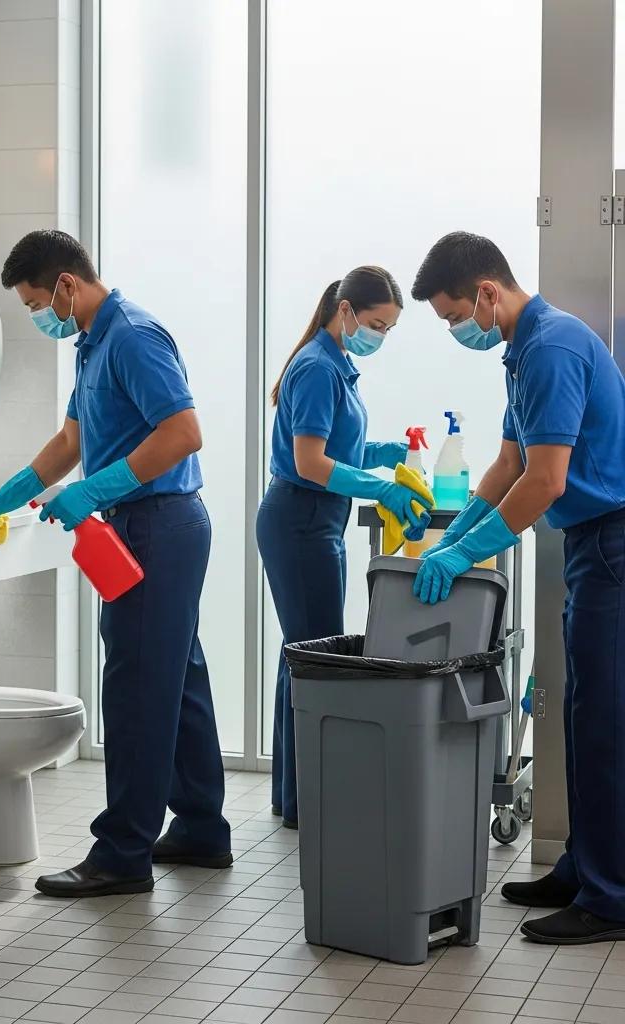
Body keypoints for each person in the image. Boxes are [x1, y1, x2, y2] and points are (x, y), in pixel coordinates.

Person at [0, 229, 230, 896]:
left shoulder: (132, 335)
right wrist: (2, 500)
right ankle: (202, 829)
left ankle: (122, 854)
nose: (40, 316)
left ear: (67, 284)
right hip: (145, 526)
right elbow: (72, 438)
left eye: (38, 301)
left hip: (158, 525)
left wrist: (95, 489)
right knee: (178, 680)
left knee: (135, 688)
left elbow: (184, 433)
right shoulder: (94, 343)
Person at [411, 230, 625, 944]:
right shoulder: (523, 352)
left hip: (614, 542)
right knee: (579, 712)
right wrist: (455, 534)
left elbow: (547, 480)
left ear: (487, 294)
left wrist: (470, 551)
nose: (454, 330)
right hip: (593, 546)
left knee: (606, 724)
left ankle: (611, 896)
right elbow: (508, 462)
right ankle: (585, 868)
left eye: (452, 317)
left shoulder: (553, 348)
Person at [257, 267, 426, 829]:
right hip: (300, 522)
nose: (379, 335)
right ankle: (308, 799)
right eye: (377, 323)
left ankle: (297, 796)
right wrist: (380, 488)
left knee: (305, 656)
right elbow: (310, 462)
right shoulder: (315, 367)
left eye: (388, 329)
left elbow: (338, 444)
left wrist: (389, 451)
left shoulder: (337, 366)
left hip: (315, 522)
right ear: (346, 309)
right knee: (316, 661)